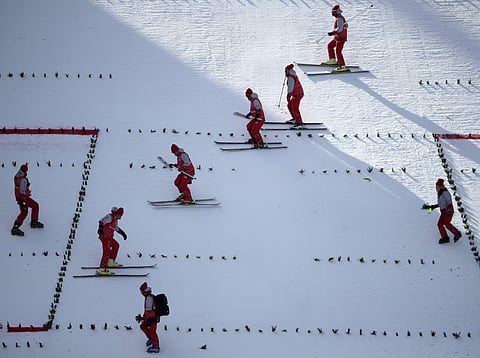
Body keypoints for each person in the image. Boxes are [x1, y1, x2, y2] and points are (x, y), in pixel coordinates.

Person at [423, 178, 461, 244]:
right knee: (440, 224)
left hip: (448, 211)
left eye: (437, 187)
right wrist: (431, 207)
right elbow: (441, 204)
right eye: (436, 187)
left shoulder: (445, 192)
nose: (436, 188)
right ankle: (445, 237)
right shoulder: (440, 194)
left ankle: (457, 233)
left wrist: (449, 209)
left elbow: (449, 201)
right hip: (443, 212)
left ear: (441, 186)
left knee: (446, 223)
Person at [11, 163, 44, 236]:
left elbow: (19, 186)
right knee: (24, 213)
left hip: (22, 197)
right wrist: (23, 201)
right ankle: (15, 228)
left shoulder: (17, 176)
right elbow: (22, 191)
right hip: (23, 199)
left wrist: (26, 188)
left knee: (35, 206)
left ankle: (34, 222)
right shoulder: (23, 180)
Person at [96, 207, 127, 275]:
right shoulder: (110, 217)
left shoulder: (115, 220)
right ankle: (102, 269)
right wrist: (100, 228)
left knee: (116, 245)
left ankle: (110, 261)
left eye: (121, 216)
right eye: (119, 215)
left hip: (109, 237)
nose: (120, 217)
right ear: (116, 213)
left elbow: (116, 228)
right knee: (106, 252)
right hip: (104, 237)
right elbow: (101, 221)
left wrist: (123, 233)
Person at [324, 4, 349, 72]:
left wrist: (332, 32)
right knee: (330, 45)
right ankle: (332, 59)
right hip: (338, 37)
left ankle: (342, 66)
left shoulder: (339, 18)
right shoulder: (339, 18)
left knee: (338, 51)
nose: (332, 13)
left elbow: (340, 29)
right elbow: (344, 26)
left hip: (341, 38)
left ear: (336, 12)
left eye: (333, 11)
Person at [139, 282, 160, 353]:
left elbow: (150, 311)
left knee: (152, 331)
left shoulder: (149, 298)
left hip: (152, 319)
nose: (141, 293)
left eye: (141, 291)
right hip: (151, 318)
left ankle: (156, 346)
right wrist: (144, 318)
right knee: (142, 326)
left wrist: (147, 319)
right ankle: (151, 339)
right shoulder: (149, 296)